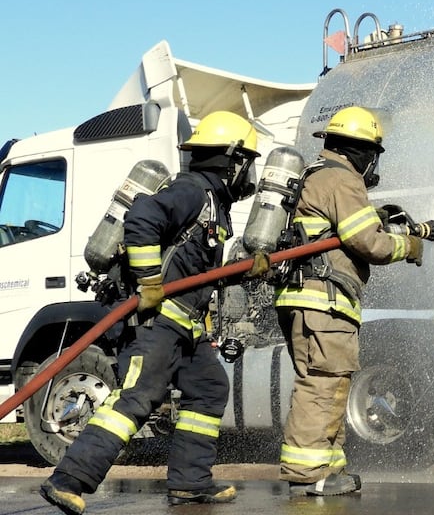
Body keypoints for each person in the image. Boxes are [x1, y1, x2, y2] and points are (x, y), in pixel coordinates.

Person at [40, 111, 268, 515]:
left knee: (209, 389)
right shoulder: (192, 190)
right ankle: (67, 480)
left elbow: (194, 271)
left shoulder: (215, 204)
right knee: (138, 397)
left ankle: (190, 484)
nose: (248, 172)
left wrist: (245, 270)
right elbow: (142, 219)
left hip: (184, 325)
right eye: (246, 161)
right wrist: (147, 282)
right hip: (155, 322)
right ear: (231, 159)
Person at [274, 105, 422, 497]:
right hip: (324, 301)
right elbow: (368, 243)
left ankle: (329, 468)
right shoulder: (342, 180)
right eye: (373, 153)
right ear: (362, 151)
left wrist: (378, 216)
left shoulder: (316, 176)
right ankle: (309, 475)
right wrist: (408, 245)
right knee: (322, 384)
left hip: (306, 299)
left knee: (332, 381)